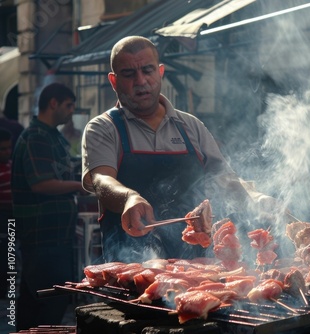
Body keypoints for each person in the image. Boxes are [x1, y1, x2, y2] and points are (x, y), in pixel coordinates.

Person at [81, 36, 285, 264]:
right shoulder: (103, 128)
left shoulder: (191, 126)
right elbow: (101, 180)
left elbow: (225, 178)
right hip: (132, 265)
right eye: (129, 74)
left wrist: (256, 199)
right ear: (114, 81)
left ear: (160, 72)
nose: (141, 81)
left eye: (147, 70)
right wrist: (129, 198)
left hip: (195, 269)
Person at [11, 82, 85, 330]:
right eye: (68, 105)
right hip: (42, 237)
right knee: (50, 299)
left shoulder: (52, 136)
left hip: (55, 237)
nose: (71, 111)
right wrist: (78, 187)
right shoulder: (36, 137)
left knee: (37, 299)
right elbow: (41, 184)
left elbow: (61, 171)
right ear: (53, 103)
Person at [0, 128, 13, 297]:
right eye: (3, 149)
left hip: (12, 216)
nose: (7, 152)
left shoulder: (11, 165)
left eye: (8, 148)